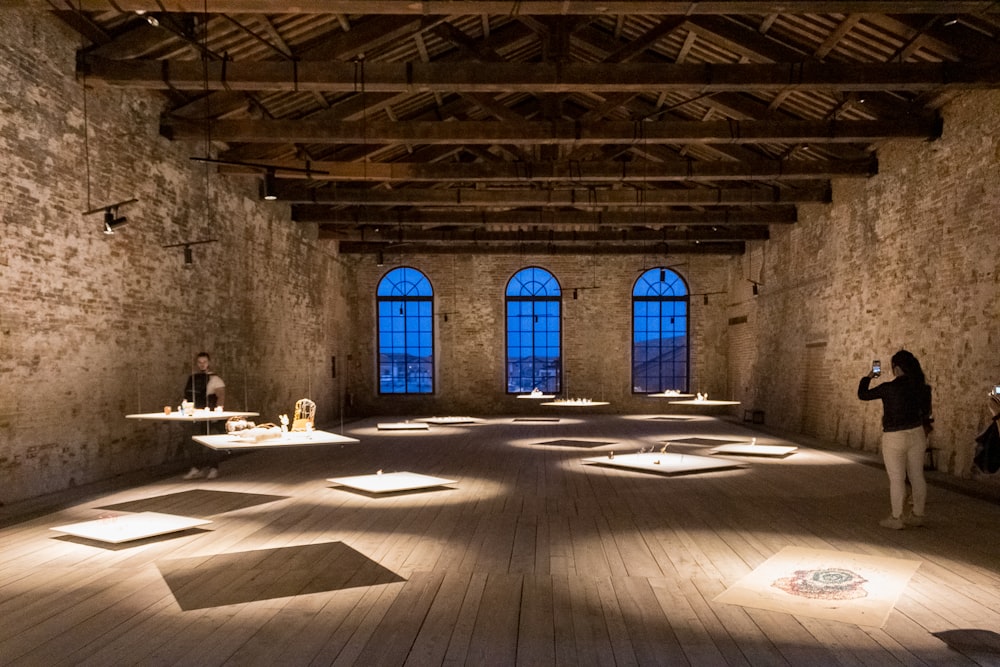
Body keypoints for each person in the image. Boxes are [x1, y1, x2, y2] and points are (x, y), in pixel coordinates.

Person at [857, 349, 933, 529]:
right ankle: (918, 515)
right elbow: (926, 412)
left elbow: (863, 394)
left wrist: (869, 376)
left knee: (897, 478)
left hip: (894, 437)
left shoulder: (888, 388)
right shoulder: (922, 388)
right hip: (917, 434)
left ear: (897, 368)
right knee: (917, 476)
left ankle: (897, 518)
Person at [182, 352, 226, 480]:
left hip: (210, 416)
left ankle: (214, 468)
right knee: (193, 441)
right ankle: (197, 468)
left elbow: (221, 397)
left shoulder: (215, 379)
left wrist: (217, 414)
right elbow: (188, 396)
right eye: (199, 362)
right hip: (195, 414)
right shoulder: (193, 379)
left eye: (204, 362)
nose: (202, 365)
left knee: (211, 442)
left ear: (209, 362)